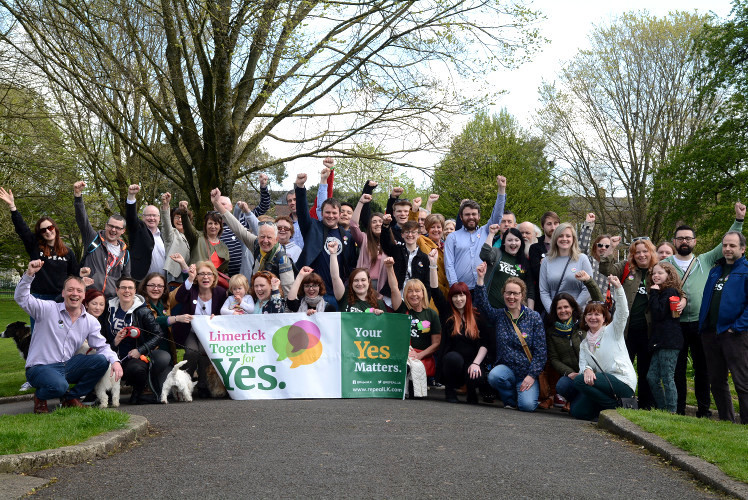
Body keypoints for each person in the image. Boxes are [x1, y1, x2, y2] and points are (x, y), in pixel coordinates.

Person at [664, 202, 745, 416]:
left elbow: (728, 244)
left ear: (694, 242)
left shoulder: (705, 260)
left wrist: (738, 220)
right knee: (678, 370)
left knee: (703, 370)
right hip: (675, 325)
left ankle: (704, 410)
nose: (684, 241)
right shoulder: (664, 263)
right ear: (674, 242)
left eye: (688, 238)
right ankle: (679, 409)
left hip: (700, 325)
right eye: (680, 238)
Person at [15, 260, 123, 413]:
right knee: (60, 386)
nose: (75, 294)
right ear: (63, 293)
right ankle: (40, 396)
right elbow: (21, 298)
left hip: (66, 365)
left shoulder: (90, 321)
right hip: (40, 367)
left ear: (84, 295)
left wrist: (116, 361)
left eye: (79, 291)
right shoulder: (47, 309)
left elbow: (102, 346)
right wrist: (29, 274)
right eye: (70, 290)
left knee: (101, 360)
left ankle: (71, 398)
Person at [474, 267, 546, 412]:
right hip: (506, 370)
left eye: (515, 293)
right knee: (494, 376)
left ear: (522, 295)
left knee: (527, 406)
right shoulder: (499, 316)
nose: (511, 297)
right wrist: (481, 279)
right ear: (503, 294)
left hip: (527, 372)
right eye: (508, 293)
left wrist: (532, 375)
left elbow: (541, 352)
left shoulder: (534, 317)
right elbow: (483, 306)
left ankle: (521, 396)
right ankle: (509, 399)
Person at [427, 250, 494, 403]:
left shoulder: (477, 316)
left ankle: (472, 392)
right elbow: (435, 291)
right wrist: (432, 265)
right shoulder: (448, 314)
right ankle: (450, 391)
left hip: (473, 363)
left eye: (462, 295)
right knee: (453, 358)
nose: (458, 299)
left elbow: (485, 343)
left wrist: (476, 363)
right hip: (452, 364)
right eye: (455, 296)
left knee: (477, 373)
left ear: (467, 297)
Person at [599, 237, 658, 410]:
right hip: (626, 331)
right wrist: (611, 248)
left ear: (651, 252)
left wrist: (682, 300)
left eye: (644, 251)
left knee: (646, 370)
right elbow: (606, 269)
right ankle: (622, 402)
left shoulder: (658, 270)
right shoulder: (626, 267)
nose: (641, 255)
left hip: (648, 331)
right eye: (637, 252)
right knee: (623, 368)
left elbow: (675, 286)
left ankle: (646, 406)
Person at [698, 230, 748, 424]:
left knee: (742, 382)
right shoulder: (715, 271)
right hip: (711, 333)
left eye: (732, 245)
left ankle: (745, 423)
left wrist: (736, 327)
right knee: (717, 381)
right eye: (725, 245)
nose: (727, 249)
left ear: (742, 249)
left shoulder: (745, 271)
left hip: (735, 334)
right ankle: (727, 422)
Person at [572, 275, 637, 421]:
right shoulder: (584, 344)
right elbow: (583, 365)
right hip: (603, 383)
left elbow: (623, 312)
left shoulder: (613, 331)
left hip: (622, 380)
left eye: (597, 314)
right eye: (589, 314)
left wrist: (618, 289)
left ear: (604, 317)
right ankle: (602, 408)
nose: (593, 317)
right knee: (578, 412)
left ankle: (614, 407)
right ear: (585, 318)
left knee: (579, 381)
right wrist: (587, 369)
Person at [101, 276, 172, 404]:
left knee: (137, 369)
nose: (126, 291)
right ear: (117, 290)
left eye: (130, 288)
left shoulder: (143, 311)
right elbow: (101, 335)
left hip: (133, 357)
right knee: (98, 363)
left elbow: (158, 334)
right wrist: (115, 342)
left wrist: (140, 350)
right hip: (111, 353)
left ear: (135, 291)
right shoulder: (107, 309)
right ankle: (98, 394)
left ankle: (138, 392)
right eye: (123, 288)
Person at [211, 188, 294, 296]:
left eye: (269, 237)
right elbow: (236, 227)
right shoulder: (255, 243)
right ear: (257, 236)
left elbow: (289, 292)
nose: (265, 241)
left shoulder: (282, 259)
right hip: (257, 299)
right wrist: (216, 203)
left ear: (276, 239)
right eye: (262, 237)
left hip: (275, 305)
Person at [0, 187, 80, 301]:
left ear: (55, 229)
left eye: (50, 227)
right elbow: (22, 229)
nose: (47, 231)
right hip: (39, 298)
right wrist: (12, 207)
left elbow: (75, 275)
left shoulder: (68, 252)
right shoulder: (35, 246)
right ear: (40, 234)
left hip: (61, 298)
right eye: (43, 230)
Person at [294, 172, 356, 305]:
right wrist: (300, 187)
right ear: (322, 214)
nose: (331, 216)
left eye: (334, 213)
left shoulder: (348, 237)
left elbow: (351, 266)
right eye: (327, 212)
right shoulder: (312, 227)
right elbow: (302, 211)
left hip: (337, 295)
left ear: (339, 215)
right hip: (312, 294)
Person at [546, 272, 603, 413]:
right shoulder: (552, 331)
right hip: (573, 376)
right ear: (555, 310)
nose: (563, 310)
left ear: (572, 308)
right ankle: (574, 400)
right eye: (559, 308)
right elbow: (554, 359)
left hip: (591, 373)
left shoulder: (584, 322)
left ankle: (584, 401)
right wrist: (569, 372)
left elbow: (600, 302)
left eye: (566, 307)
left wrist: (589, 281)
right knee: (562, 386)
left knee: (582, 410)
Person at [174, 260, 226, 397]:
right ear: (197, 277)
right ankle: (184, 382)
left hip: (209, 332)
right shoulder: (190, 289)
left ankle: (203, 384)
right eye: (201, 274)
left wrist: (218, 316)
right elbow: (179, 297)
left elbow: (225, 312)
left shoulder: (220, 292)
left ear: (214, 277)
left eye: (209, 274)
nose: (205, 277)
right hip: (189, 330)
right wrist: (189, 278)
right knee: (192, 352)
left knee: (205, 351)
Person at [444, 175, 507, 290]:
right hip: (462, 290)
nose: (471, 217)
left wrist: (501, 190)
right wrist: (455, 287)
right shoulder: (453, 237)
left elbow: (497, 214)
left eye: (474, 214)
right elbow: (449, 265)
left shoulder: (486, 231)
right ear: (461, 217)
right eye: (467, 215)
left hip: (482, 287)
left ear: (479, 216)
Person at [73, 180, 131, 297]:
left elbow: (126, 279)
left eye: (117, 228)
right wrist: (78, 196)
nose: (113, 230)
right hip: (89, 295)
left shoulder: (125, 253)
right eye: (111, 226)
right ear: (106, 225)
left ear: (123, 231)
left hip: (111, 299)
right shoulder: (93, 240)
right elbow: (82, 221)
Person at [646, 262, 684, 413]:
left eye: (660, 273)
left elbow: (659, 313)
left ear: (669, 275)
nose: (656, 276)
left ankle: (671, 411)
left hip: (669, 341)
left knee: (667, 377)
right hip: (658, 342)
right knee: (652, 377)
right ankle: (662, 408)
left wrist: (654, 293)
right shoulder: (661, 292)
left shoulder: (670, 292)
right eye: (654, 273)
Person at [390, 272, 442, 377]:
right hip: (403, 358)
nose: (414, 294)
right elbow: (394, 288)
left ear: (423, 293)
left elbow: (436, 343)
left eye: (417, 291)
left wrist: (419, 355)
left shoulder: (432, 314)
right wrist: (389, 267)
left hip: (422, 359)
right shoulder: (402, 309)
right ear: (405, 294)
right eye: (410, 291)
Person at [539, 223, 594, 313]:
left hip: (578, 313)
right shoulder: (546, 261)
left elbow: (587, 288)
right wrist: (552, 311)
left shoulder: (582, 259)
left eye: (568, 236)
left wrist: (573, 309)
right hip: (555, 313)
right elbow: (543, 291)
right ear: (555, 238)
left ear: (573, 239)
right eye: (561, 236)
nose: (564, 239)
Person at [480, 225, 534, 310]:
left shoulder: (524, 263)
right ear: (504, 242)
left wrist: (530, 311)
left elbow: (530, 289)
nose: (513, 243)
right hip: (489, 307)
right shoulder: (497, 253)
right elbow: (484, 255)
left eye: (517, 240)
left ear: (521, 243)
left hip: (511, 312)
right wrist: (491, 234)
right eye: (509, 240)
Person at [380, 219, 430, 301]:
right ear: (402, 235)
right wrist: (385, 225)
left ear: (419, 235)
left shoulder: (424, 258)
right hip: (393, 297)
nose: (410, 235)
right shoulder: (396, 250)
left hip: (414, 298)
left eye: (413, 232)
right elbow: (384, 242)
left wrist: (426, 301)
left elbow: (426, 283)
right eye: (407, 232)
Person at [125, 184, 165, 280]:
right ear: (142, 217)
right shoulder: (138, 230)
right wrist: (131, 196)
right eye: (148, 215)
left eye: (154, 215)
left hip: (163, 284)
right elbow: (131, 217)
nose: (151, 218)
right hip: (142, 283)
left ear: (159, 218)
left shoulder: (164, 236)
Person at [349, 193, 386, 293]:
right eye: (374, 222)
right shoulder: (364, 239)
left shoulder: (390, 242)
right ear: (370, 226)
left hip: (384, 285)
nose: (378, 224)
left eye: (380, 221)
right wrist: (361, 202)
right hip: (364, 285)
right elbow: (353, 225)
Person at [181, 205, 230, 274]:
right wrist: (184, 213)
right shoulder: (197, 237)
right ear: (205, 225)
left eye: (216, 224)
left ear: (220, 227)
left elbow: (225, 270)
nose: (213, 226)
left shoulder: (224, 246)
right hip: (197, 279)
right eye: (210, 223)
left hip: (215, 282)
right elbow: (188, 227)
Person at [528, 211, 560, 314]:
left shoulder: (564, 246)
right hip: (541, 300)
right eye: (549, 224)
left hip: (561, 297)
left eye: (556, 223)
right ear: (543, 226)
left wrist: (545, 264)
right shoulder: (535, 248)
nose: (553, 227)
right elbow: (537, 273)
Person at [160, 193, 192, 285]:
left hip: (191, 276)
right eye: (177, 217)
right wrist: (166, 205)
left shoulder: (191, 236)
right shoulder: (171, 234)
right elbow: (166, 224)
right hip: (175, 279)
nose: (180, 220)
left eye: (182, 218)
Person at [417, 213, 449, 297]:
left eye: (438, 227)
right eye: (432, 227)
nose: (436, 230)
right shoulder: (421, 240)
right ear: (427, 228)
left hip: (447, 290)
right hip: (430, 290)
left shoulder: (447, 245)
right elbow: (411, 228)